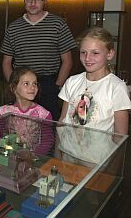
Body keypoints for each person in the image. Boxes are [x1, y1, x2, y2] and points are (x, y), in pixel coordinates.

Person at [1, 0, 76, 121]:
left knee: (47, 130)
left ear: (45, 0)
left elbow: (68, 61)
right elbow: (6, 61)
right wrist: (14, 85)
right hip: (21, 83)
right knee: (18, 126)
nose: (33, 3)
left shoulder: (58, 24)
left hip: (48, 84)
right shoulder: (13, 27)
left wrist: (56, 87)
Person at [56, 27, 131, 164]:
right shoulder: (72, 82)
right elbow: (62, 122)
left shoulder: (116, 87)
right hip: (68, 153)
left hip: (97, 160)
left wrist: (113, 168)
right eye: (83, 52)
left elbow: (120, 135)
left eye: (95, 53)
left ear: (109, 54)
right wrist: (57, 153)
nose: (87, 58)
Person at [0, 67, 55, 156]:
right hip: (9, 159)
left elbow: (47, 141)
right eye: (26, 84)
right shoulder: (2, 112)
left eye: (35, 84)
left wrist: (32, 156)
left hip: (34, 160)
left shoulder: (43, 114)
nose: (32, 87)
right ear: (13, 88)